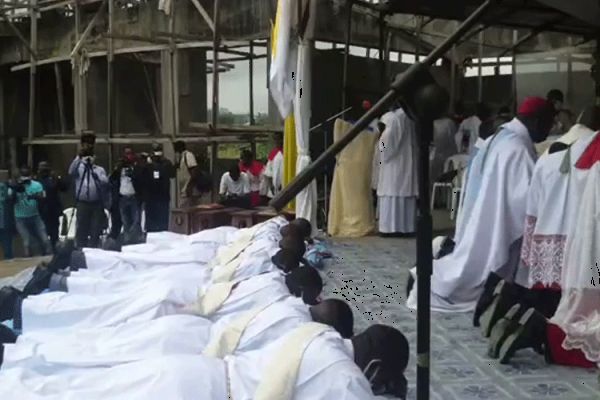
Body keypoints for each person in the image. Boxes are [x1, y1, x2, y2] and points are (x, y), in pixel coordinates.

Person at [407, 97, 555, 312]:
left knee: (470, 258)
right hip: (496, 221)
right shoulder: (517, 148)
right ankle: (436, 281)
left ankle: (435, 272)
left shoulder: (500, 137)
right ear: (537, 120)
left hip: (484, 214)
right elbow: (528, 200)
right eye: (548, 124)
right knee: (482, 270)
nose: (548, 132)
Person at [0, 323, 409, 399]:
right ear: (375, 370)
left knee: (82, 389)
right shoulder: (346, 381)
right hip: (203, 393)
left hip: (193, 370)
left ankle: (13, 370)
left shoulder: (318, 335)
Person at [1, 297, 353, 370]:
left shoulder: (283, 301)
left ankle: (23, 344)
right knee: (99, 360)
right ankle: (22, 350)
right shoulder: (300, 334)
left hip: (193, 330)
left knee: (102, 346)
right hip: (193, 351)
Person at [491, 147, 600, 367]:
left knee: (575, 307)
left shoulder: (586, 149)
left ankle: (518, 304)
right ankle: (543, 332)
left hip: (581, 245)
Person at [376, 107, 417, 237]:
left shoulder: (394, 118)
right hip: (406, 160)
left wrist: (380, 144)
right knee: (403, 194)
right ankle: (406, 228)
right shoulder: (411, 116)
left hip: (394, 164)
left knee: (392, 192)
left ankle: (390, 228)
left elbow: (388, 142)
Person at [68, 135, 109, 249]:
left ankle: (94, 249)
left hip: (96, 203)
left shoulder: (99, 169)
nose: (88, 158)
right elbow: (70, 172)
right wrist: (79, 158)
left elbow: (105, 182)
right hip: (82, 202)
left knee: (96, 228)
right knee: (81, 227)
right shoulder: (79, 168)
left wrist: (94, 173)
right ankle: (81, 249)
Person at [8, 166, 51, 257]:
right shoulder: (14, 186)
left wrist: (34, 196)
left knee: (44, 238)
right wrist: (15, 189)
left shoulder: (37, 185)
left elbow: (43, 197)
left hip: (34, 215)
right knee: (27, 241)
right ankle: (28, 258)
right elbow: (10, 201)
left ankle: (48, 255)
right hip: (20, 217)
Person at [109, 147, 143, 242]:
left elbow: (141, 180)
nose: (128, 156)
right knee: (125, 221)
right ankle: (127, 240)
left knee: (135, 221)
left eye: (130, 154)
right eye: (126, 154)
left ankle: (136, 240)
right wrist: (118, 168)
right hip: (123, 198)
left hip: (134, 197)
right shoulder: (120, 167)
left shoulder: (136, 167)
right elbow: (112, 179)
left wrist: (133, 173)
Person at [143, 143, 175, 232]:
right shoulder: (147, 165)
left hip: (162, 196)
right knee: (151, 220)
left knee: (162, 219)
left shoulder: (166, 163)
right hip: (151, 197)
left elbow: (172, 174)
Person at [36, 162, 67, 252]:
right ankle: (43, 250)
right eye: (42, 169)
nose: (44, 171)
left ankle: (54, 249)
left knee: (54, 232)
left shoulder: (53, 179)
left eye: (46, 169)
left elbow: (64, 188)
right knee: (42, 231)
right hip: (41, 209)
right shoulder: (37, 180)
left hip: (53, 209)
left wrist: (57, 179)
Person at [431, 116, 458, 183]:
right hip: (446, 155)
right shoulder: (448, 123)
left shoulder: (433, 123)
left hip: (437, 155)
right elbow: (453, 139)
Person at [174, 140, 199, 207]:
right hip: (183, 191)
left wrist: (189, 187)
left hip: (189, 191)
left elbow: (194, 172)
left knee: (187, 211)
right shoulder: (181, 157)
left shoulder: (188, 155)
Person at [263, 133, 284, 198]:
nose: (277, 141)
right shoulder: (273, 153)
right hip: (275, 185)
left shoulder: (287, 152)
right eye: (275, 139)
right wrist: (271, 184)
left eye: (279, 139)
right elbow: (269, 171)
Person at [0, 171, 13, 260]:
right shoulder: (8, 187)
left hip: (4, 219)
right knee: (7, 242)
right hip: (5, 219)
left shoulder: (7, 187)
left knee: (6, 241)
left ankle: (8, 258)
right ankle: (8, 258)